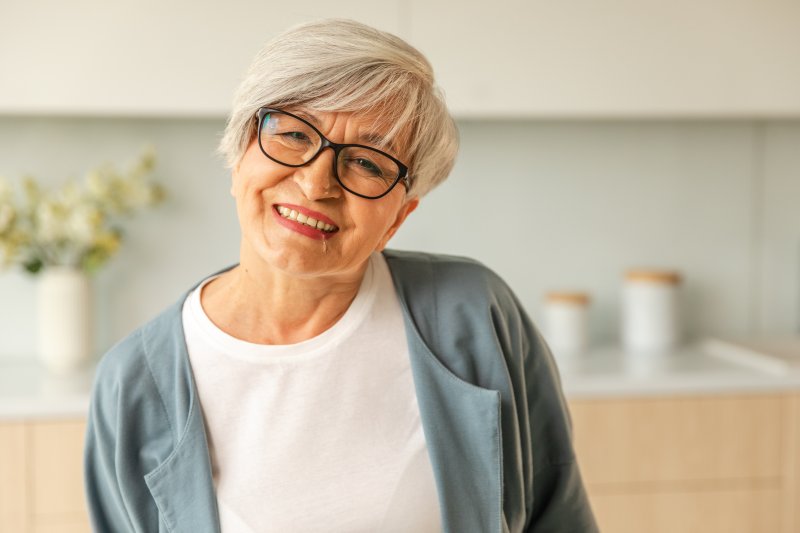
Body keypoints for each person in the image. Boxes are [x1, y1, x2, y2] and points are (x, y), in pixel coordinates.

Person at [83, 18, 598, 533]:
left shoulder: (475, 314)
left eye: (368, 164)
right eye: (293, 134)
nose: (315, 183)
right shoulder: (132, 384)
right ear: (239, 153)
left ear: (399, 216)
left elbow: (560, 518)